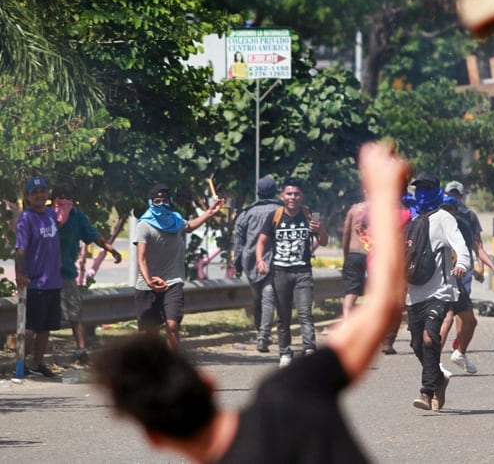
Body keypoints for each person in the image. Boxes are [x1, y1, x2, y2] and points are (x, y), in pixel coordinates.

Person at [92, 141, 408, 464]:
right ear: (208, 383)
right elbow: (383, 306)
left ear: (153, 438)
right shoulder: (289, 392)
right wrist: (384, 192)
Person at [406, 171, 470, 411]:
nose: (421, 193)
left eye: (426, 188)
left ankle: (426, 391)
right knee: (416, 344)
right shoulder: (413, 221)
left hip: (440, 291)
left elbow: (460, 245)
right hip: (414, 293)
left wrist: (462, 264)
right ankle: (440, 379)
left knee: (429, 338)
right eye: (417, 188)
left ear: (436, 191)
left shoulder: (444, 218)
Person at [135, 185, 225, 349]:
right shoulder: (144, 225)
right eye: (157, 201)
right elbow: (140, 258)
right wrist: (149, 281)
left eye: (165, 201)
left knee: (172, 326)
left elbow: (189, 226)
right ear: (150, 203)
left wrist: (210, 212)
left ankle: (173, 366)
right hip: (148, 284)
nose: (161, 204)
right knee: (151, 333)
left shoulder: (175, 220)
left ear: (170, 202)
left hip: (173, 281)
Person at [256, 178, 328, 367]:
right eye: (289, 194)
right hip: (280, 272)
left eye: (296, 194)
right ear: (282, 196)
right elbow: (261, 241)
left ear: (301, 196)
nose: (292, 197)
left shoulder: (308, 215)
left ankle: (309, 350)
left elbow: (324, 242)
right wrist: (259, 259)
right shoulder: (275, 216)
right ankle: (285, 352)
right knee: (283, 315)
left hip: (303, 271)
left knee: (305, 312)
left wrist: (321, 230)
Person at [51, 183, 122, 365]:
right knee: (42, 316)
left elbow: (93, 235)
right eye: (59, 196)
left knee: (75, 313)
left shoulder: (77, 217)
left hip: (66, 273)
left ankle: (81, 350)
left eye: (66, 196)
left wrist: (110, 249)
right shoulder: (45, 215)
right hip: (44, 275)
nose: (62, 199)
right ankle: (35, 357)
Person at [440, 181, 494, 374]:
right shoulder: (437, 220)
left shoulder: (467, 220)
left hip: (460, 275)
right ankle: (433, 360)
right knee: (448, 317)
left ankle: (459, 352)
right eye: (449, 200)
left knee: (469, 320)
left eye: (456, 198)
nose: (453, 204)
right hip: (442, 276)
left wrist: (492, 268)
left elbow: (477, 247)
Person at [14, 176, 62, 378]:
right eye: (35, 193)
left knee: (46, 327)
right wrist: (20, 273)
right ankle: (21, 364)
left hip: (53, 280)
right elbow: (20, 249)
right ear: (28, 197)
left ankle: (38, 363)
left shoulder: (51, 214)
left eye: (42, 191)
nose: (40, 196)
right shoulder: (26, 219)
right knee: (31, 328)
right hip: (36, 282)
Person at [233, 175, 283, 353]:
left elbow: (238, 241)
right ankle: (263, 335)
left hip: (251, 261)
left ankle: (262, 334)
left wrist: (237, 264)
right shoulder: (281, 210)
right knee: (268, 298)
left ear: (258, 192)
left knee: (260, 298)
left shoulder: (246, 213)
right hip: (276, 260)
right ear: (275, 191)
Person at [340, 199, 368, 323]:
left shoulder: (354, 209)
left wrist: (346, 254)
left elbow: (346, 234)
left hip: (354, 254)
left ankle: (346, 321)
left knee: (351, 292)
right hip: (374, 254)